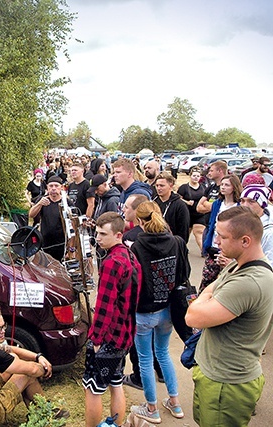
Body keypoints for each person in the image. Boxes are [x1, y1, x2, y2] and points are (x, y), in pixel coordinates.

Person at [185, 206, 273, 427]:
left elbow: (193, 317)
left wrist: (205, 298)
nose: (216, 241)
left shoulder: (248, 282)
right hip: (214, 375)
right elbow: (209, 292)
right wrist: (208, 296)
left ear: (245, 241)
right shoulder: (237, 265)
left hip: (226, 383)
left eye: (222, 237)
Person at [129, 201, 186, 424]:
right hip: (168, 309)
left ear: (141, 222)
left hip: (144, 311)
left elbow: (134, 281)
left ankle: (151, 408)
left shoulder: (137, 246)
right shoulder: (174, 241)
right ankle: (175, 402)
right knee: (163, 354)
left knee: (145, 359)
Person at [83, 212, 141, 427]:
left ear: (118, 235)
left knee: (92, 388)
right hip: (125, 334)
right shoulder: (130, 256)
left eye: (102, 234)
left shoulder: (112, 263)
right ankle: (114, 425)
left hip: (109, 336)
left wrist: (96, 339)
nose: (97, 238)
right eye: (96, 232)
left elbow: (104, 307)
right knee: (116, 383)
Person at [200, 174, 242, 291]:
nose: (222, 187)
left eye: (226, 185)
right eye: (222, 184)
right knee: (207, 280)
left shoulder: (239, 207)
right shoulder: (217, 204)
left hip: (229, 250)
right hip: (213, 246)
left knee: (225, 282)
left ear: (234, 187)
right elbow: (211, 224)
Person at [29, 176, 67, 261]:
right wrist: (39, 204)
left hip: (61, 243)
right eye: (51, 186)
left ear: (61, 187)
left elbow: (72, 225)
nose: (53, 188)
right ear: (47, 187)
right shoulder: (43, 200)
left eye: (56, 186)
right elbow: (31, 215)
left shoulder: (66, 202)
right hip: (45, 242)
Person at [153, 172, 190, 242]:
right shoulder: (153, 202)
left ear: (171, 186)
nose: (158, 188)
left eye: (162, 185)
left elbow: (183, 230)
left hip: (172, 244)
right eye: (157, 185)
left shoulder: (180, 205)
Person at [240, 184, 273, 262]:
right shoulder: (237, 223)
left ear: (262, 204)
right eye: (242, 201)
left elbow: (269, 263)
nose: (245, 205)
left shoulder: (269, 232)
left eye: (251, 201)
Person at [177, 167, 206, 254]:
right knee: (186, 234)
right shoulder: (184, 187)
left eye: (198, 176)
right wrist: (187, 202)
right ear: (190, 176)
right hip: (187, 214)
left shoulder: (203, 188)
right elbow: (178, 198)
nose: (196, 177)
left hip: (199, 214)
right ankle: (182, 248)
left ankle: (204, 251)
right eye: (194, 175)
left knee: (199, 232)